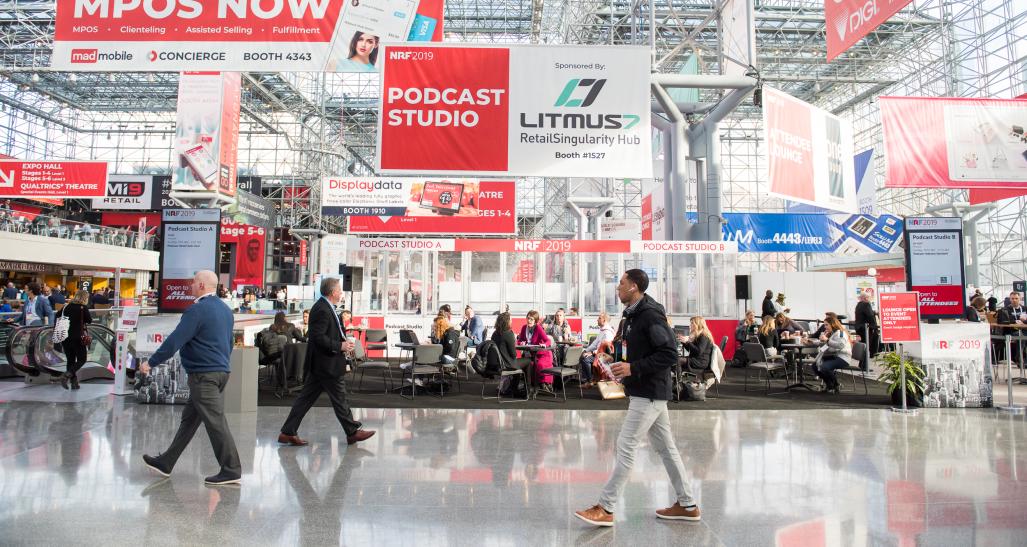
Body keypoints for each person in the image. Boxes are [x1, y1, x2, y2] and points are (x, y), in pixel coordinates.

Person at [575, 269, 699, 527]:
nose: (617, 287)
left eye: (620, 283)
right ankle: (687, 504)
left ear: (633, 287)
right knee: (666, 448)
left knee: (626, 445)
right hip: (645, 390)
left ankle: (606, 507)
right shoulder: (631, 315)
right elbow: (635, 347)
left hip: (650, 391)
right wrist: (616, 356)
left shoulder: (650, 315)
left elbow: (669, 354)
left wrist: (634, 368)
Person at [140, 270, 242, 486]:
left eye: (194, 282)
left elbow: (174, 341)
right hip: (220, 372)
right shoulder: (225, 311)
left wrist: (150, 362)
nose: (191, 285)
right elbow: (229, 343)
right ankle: (165, 462)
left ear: (203, 286)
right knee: (189, 421)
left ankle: (231, 469)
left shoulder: (197, 311)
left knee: (215, 422)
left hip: (203, 375)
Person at [278, 277, 375, 447]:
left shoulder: (326, 307)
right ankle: (352, 432)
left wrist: (343, 343)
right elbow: (317, 337)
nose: (341, 293)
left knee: (306, 399)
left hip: (322, 365)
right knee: (339, 398)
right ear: (332, 292)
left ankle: (287, 432)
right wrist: (340, 345)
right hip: (326, 364)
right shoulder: (322, 309)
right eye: (339, 290)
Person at [58, 290, 93, 390]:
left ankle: (74, 383)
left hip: (65, 337)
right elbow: (89, 320)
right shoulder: (82, 308)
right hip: (78, 337)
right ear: (84, 298)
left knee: (70, 360)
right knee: (82, 359)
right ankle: (66, 375)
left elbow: (57, 316)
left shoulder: (66, 306)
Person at [813, 316, 853, 394]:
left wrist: (827, 340)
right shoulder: (833, 333)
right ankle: (830, 385)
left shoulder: (841, 333)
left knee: (824, 367)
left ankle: (836, 385)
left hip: (843, 357)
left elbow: (840, 345)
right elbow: (827, 345)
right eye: (824, 325)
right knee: (815, 366)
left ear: (833, 324)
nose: (825, 327)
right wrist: (811, 342)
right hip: (833, 356)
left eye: (826, 325)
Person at [517, 310, 554, 394]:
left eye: (532, 319)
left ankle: (545, 385)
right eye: (528, 318)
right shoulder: (524, 328)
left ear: (536, 321)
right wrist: (521, 343)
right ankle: (530, 387)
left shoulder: (538, 328)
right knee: (529, 364)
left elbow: (547, 341)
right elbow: (519, 341)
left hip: (543, 354)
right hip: (532, 354)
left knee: (540, 365)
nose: (529, 321)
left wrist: (544, 344)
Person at [579, 311, 616, 388]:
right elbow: (595, 344)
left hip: (604, 357)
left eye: (599, 318)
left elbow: (604, 349)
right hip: (599, 354)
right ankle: (589, 380)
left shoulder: (608, 332)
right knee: (583, 355)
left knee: (585, 359)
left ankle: (590, 381)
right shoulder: (603, 330)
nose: (597, 320)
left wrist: (592, 353)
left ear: (604, 320)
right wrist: (585, 350)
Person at [997, 292, 1026, 366]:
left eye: (1016, 298)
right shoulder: (1005, 309)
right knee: (1021, 336)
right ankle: (1020, 361)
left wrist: (1024, 321)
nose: (1014, 300)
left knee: (1022, 335)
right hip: (1011, 331)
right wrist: (1016, 321)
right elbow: (1004, 320)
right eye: (1012, 298)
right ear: (1010, 299)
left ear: (1020, 299)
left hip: (1024, 330)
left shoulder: (1025, 308)